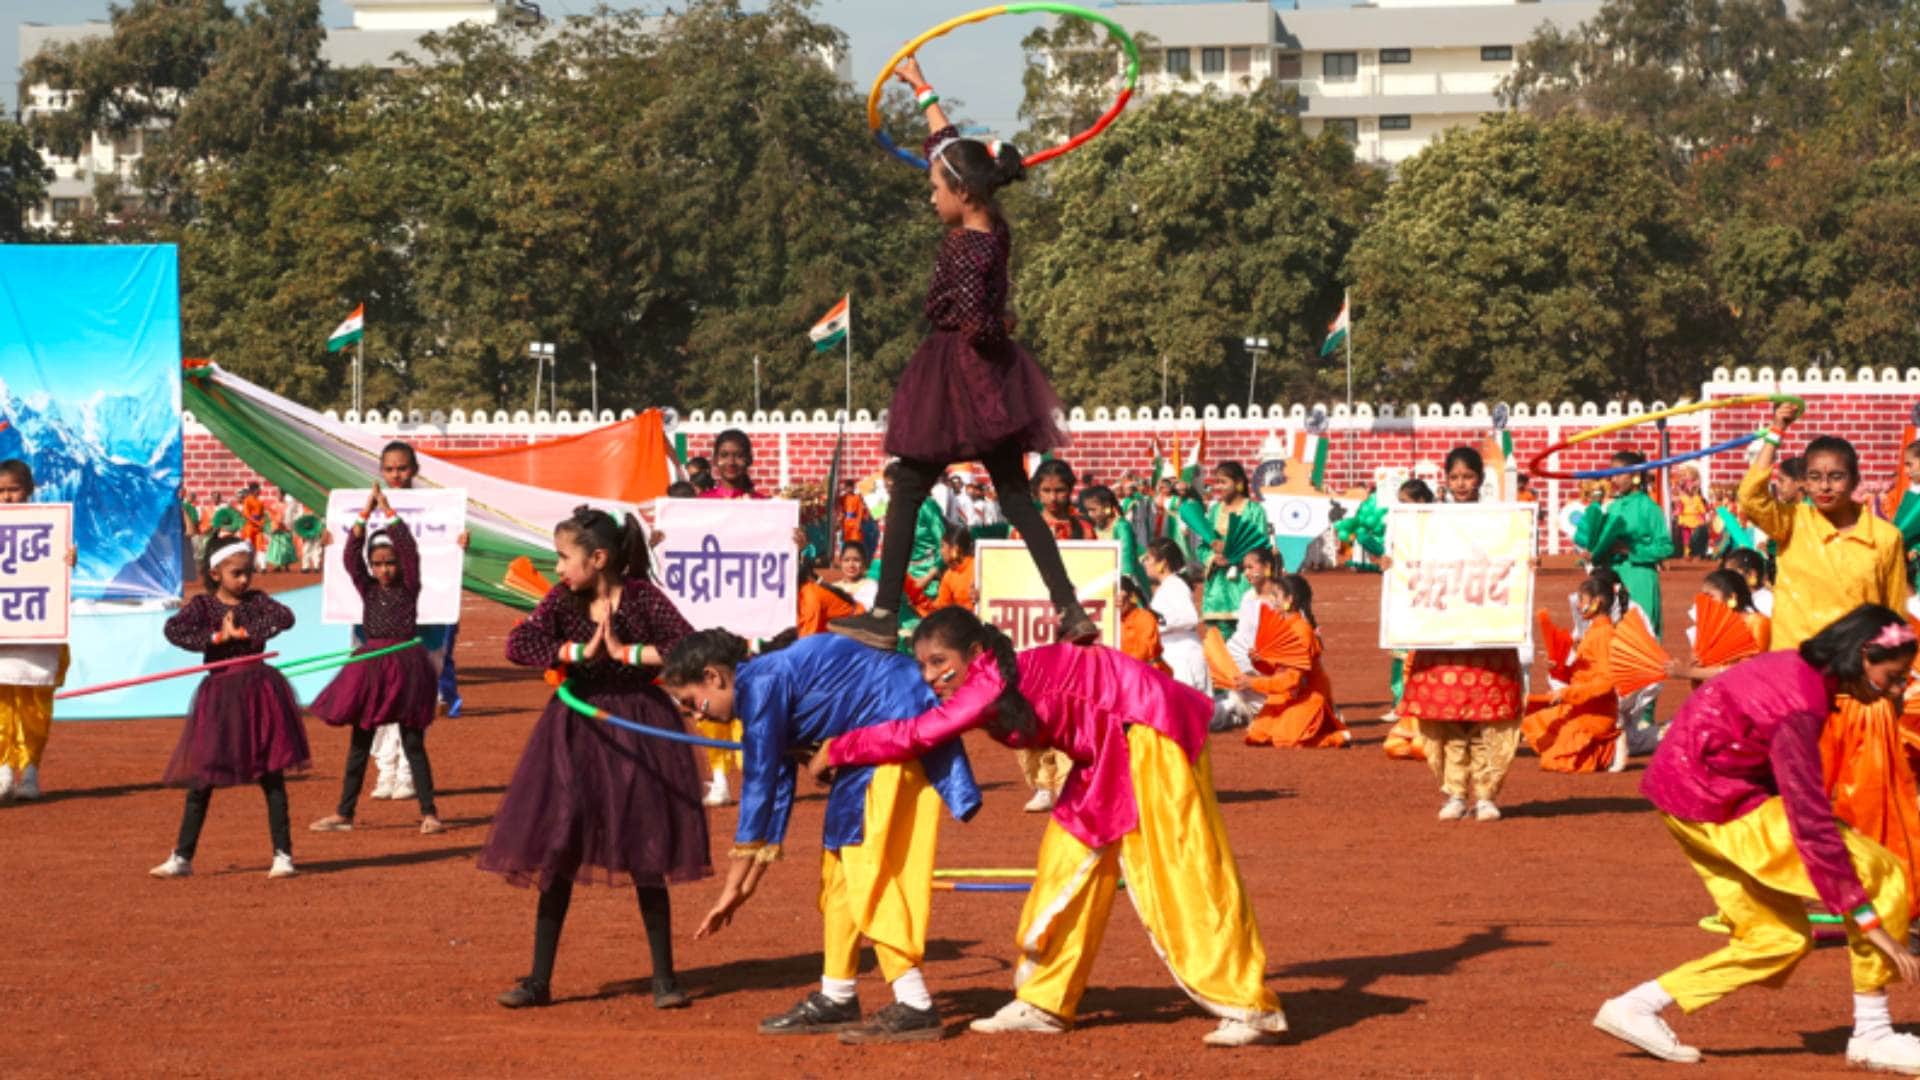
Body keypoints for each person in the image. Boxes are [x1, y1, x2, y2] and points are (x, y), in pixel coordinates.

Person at [809, 608, 1288, 1047]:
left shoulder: (985, 683)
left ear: (973, 653)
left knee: (1180, 871)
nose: (931, 676)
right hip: (1107, 750)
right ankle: (1045, 1000)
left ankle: (1249, 1005)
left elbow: (921, 733)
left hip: (1151, 731)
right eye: (924, 666)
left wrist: (838, 749)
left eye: (939, 662)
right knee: (1064, 864)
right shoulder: (988, 678)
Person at [829, 56, 1094, 652]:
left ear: (963, 191)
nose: (931, 197)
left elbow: (974, 322)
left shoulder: (962, 247)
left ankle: (885, 612)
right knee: (1017, 499)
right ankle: (1069, 606)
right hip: (990, 378)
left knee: (907, 486)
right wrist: (921, 87)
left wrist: (998, 328)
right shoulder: (995, 229)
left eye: (935, 189)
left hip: (958, 373)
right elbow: (947, 148)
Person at [1593, 605, 1920, 1073]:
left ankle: (1637, 1005)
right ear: (1864, 654)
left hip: (1686, 795)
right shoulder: (1801, 702)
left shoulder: (1798, 669)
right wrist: (1871, 925)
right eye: (1893, 676)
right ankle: (1874, 1032)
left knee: (1779, 938)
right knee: (1879, 870)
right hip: (1719, 799)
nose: (1897, 688)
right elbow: (1810, 821)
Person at [661, 631, 981, 1044]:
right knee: (841, 876)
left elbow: (758, 791)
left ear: (713, 677)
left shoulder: (761, 686)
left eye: (692, 702)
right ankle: (838, 993)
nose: (697, 717)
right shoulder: (764, 687)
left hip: (889, 737)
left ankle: (914, 1002)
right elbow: (776, 794)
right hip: (870, 744)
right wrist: (745, 886)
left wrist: (730, 888)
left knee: (866, 875)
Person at [479, 507, 708, 1011]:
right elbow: (519, 643)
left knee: (647, 847)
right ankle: (538, 980)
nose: (557, 568)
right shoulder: (563, 599)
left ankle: (665, 978)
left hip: (640, 729)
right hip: (576, 730)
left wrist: (627, 652)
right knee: (560, 844)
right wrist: (579, 652)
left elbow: (688, 648)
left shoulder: (643, 598)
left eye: (564, 557)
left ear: (598, 558)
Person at [149, 532, 309, 880]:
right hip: (220, 697)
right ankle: (182, 856)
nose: (244, 579)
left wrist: (247, 633)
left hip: (259, 693)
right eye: (236, 573)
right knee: (203, 776)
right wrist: (216, 638)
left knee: (271, 775)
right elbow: (174, 630)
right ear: (215, 573)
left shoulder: (257, 602)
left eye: (248, 572)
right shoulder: (203, 607)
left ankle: (283, 854)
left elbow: (285, 617)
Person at [306, 484, 444, 836]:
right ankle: (344, 813)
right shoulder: (367, 589)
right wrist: (364, 515)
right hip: (373, 669)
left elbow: (409, 550)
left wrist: (388, 511)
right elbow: (350, 557)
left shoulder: (409, 587)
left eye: (390, 563)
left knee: (413, 743)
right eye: (378, 564)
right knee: (359, 743)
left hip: (405, 666)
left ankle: (429, 813)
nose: (384, 570)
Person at [1401, 447, 1526, 822]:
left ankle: (1486, 794)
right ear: (1445, 479)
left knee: (1490, 719)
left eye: (1468, 477)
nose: (1461, 484)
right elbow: (1411, 559)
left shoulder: (1501, 521)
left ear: (1480, 480)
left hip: (1487, 634)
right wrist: (1393, 564)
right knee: (1447, 717)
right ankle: (1454, 792)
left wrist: (1527, 564)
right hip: (1444, 636)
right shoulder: (1429, 522)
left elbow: (1511, 558)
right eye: (1454, 477)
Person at [355, 442, 467, 796]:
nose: (396, 475)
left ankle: (407, 770)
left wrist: (459, 545)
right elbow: (350, 557)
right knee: (379, 695)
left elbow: (442, 556)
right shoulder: (360, 508)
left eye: (402, 468)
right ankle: (385, 768)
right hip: (379, 621)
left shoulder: (438, 510)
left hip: (424, 618)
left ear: (415, 469)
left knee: (415, 694)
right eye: (389, 469)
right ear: (381, 471)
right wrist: (332, 541)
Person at [0, 460, 76, 801]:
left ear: (29, 490)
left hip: (37, 636)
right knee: (2, 706)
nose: (7, 497)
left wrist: (68, 561)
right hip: (4, 635)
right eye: (0, 491)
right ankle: (3, 771)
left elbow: (55, 576)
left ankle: (30, 770)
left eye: (13, 490)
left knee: (34, 708)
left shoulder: (51, 527)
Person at [1522, 572, 1625, 773]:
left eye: (1582, 600)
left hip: (1596, 712)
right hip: (1578, 706)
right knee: (1535, 724)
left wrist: (1566, 694)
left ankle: (1610, 746)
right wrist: (1558, 667)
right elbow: (1578, 675)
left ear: (1597, 602)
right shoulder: (1592, 632)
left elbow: (1606, 683)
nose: (1578, 605)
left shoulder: (1604, 634)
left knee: (1555, 761)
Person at [1237, 569, 1348, 749]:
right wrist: (1259, 661)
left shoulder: (1301, 631)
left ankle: (1335, 737)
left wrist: (1253, 683)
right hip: (1286, 695)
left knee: (1284, 740)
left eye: (1276, 595)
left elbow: (1291, 679)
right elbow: (1277, 669)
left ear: (1289, 600)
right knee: (1256, 736)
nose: (1272, 600)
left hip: (1307, 695)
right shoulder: (1281, 626)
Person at [1576, 450, 1674, 635]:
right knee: (1611, 631)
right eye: (1611, 474)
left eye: (1619, 474)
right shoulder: (1613, 506)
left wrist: (1631, 550)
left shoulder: (1649, 507)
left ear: (1635, 475)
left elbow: (1665, 547)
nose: (1613, 479)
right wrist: (1593, 553)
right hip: (1611, 576)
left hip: (1639, 577)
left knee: (1641, 632)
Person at [1382, 478, 1435, 761]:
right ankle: (1403, 703)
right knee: (1402, 654)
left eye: (1406, 502)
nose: (1401, 507)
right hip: (1407, 591)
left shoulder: (1437, 524)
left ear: (1421, 502)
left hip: (1431, 593)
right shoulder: (1398, 525)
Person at [1199, 462, 1272, 634]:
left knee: (1245, 639)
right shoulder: (1215, 511)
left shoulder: (1254, 511)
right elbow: (1203, 547)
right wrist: (1212, 558)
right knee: (1216, 642)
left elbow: (1260, 547)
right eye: (1217, 482)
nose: (1219, 487)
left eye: (1223, 482)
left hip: (1243, 584)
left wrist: (1234, 557)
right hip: (1217, 589)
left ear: (1239, 483)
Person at [1143, 539, 1207, 696]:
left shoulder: (1175, 584)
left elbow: (1189, 617)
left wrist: (1153, 623)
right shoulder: (1168, 586)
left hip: (1183, 659)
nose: (1144, 562)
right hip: (1175, 657)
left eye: (1148, 558)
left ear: (1162, 563)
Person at [1082, 484, 1145, 592]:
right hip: (1105, 578)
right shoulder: (1096, 528)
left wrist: (1125, 580)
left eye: (1093, 510)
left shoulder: (1121, 526)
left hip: (1125, 582)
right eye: (1088, 510)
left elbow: (1126, 553)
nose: (1090, 514)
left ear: (1107, 506)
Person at [701, 430, 766, 501]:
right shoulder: (703, 501)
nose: (731, 462)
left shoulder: (761, 502)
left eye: (739, 456)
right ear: (715, 459)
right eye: (724, 455)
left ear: (749, 459)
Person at [927, 525, 976, 613]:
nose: (941, 551)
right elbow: (940, 607)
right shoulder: (949, 575)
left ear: (955, 549)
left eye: (942, 546)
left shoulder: (978, 566)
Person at [1117, 576, 1163, 668]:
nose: (1116, 602)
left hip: (1143, 670)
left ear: (1131, 596)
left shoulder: (1145, 618)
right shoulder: (1108, 621)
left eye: (1119, 597)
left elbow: (1144, 652)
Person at [1719, 546, 1775, 618]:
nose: (1727, 579)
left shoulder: (1764, 601)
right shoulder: (1747, 599)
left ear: (1751, 574)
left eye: (1732, 574)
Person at [1670, 465, 1711, 561]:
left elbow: (1702, 510)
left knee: (1696, 536)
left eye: (1691, 481)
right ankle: (1687, 553)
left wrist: (1703, 518)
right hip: (1685, 519)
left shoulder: (1698, 498)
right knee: (1686, 538)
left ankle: (1696, 553)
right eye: (1687, 482)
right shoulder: (1682, 498)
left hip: (1695, 520)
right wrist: (1677, 513)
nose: (1689, 485)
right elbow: (1679, 508)